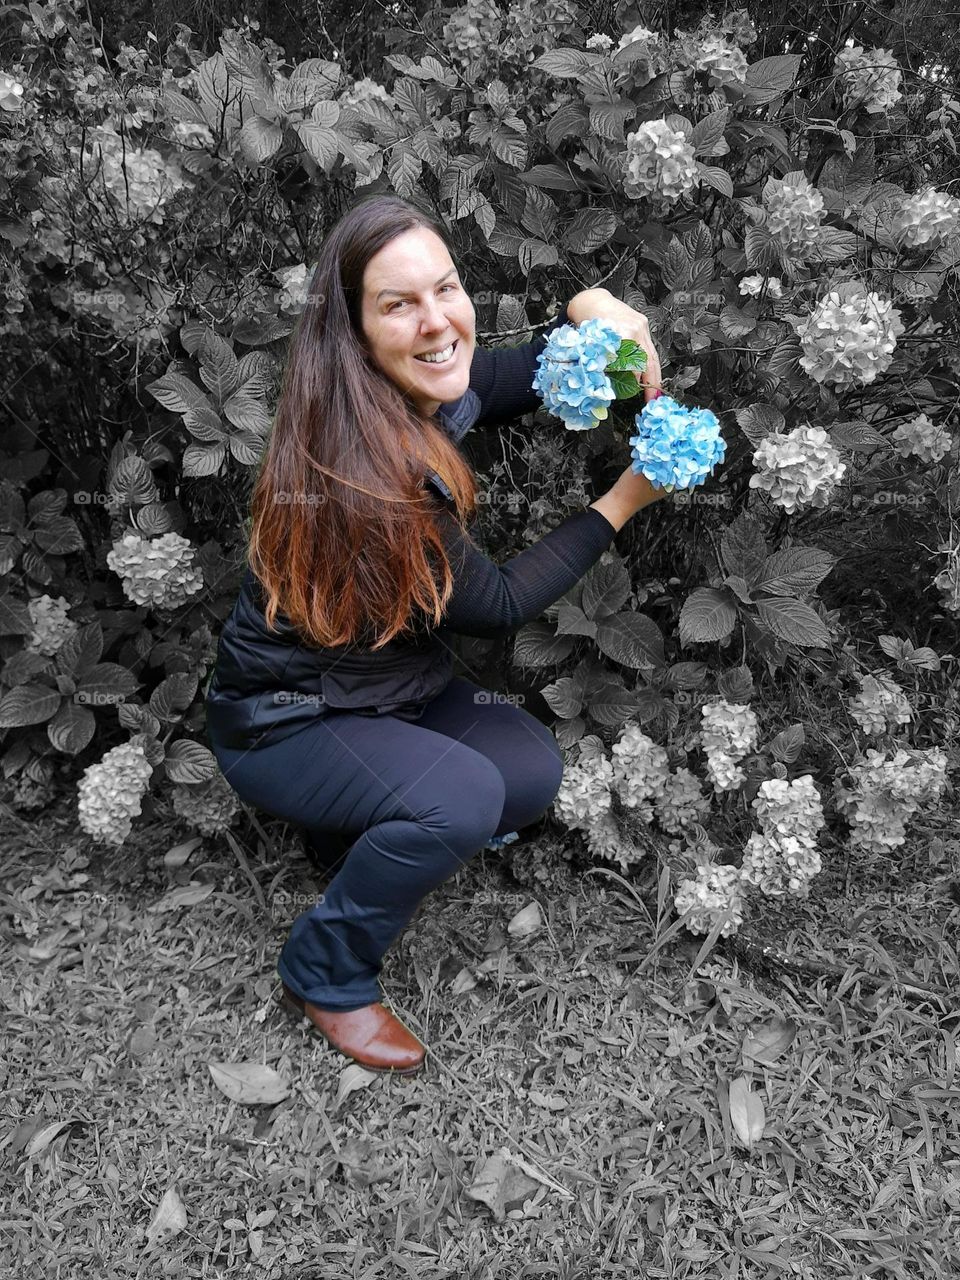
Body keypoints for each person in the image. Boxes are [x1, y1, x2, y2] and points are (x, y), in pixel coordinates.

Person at [204, 194, 669, 1075]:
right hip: (286, 719)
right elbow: (493, 602)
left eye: (445, 288)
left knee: (526, 777)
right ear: (354, 332)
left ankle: (347, 837)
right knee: (460, 801)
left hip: (387, 689)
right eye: (398, 304)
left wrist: (592, 312)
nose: (436, 322)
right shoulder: (361, 467)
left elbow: (523, 369)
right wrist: (626, 498)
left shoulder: (421, 384)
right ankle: (325, 970)